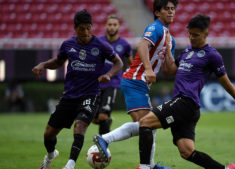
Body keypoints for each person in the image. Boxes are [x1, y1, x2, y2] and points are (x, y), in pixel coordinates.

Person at [137, 14, 235, 169]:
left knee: (145, 122)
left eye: (196, 35)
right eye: (190, 34)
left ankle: (145, 167)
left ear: (206, 33)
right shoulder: (187, 51)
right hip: (186, 107)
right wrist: (168, 51)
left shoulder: (212, 55)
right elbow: (171, 70)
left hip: (186, 102)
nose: (191, 38)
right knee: (186, 151)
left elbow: (225, 82)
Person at [32, 9, 123, 169]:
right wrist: (44, 65)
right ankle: (51, 154)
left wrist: (108, 74)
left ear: (92, 27)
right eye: (82, 29)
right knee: (48, 134)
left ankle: (70, 165)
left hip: (91, 94)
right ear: (76, 29)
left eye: (89, 28)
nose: (86, 32)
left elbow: (119, 63)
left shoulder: (101, 45)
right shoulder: (68, 45)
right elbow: (58, 62)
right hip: (69, 95)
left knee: (79, 126)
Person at [93, 0, 178, 169]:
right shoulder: (156, 28)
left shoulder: (170, 39)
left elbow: (169, 71)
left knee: (149, 126)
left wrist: (169, 55)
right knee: (147, 124)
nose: (170, 12)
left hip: (141, 83)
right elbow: (141, 45)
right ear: (157, 12)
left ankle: (149, 165)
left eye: (172, 9)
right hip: (135, 80)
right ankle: (105, 139)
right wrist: (148, 69)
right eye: (166, 9)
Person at [92, 14, 133, 135]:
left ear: (119, 26)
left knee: (103, 115)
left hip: (113, 83)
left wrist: (133, 79)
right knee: (94, 118)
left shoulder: (125, 44)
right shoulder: (98, 41)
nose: (112, 27)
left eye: (114, 25)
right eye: (109, 24)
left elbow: (131, 64)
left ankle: (102, 145)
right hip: (97, 83)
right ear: (106, 26)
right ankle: (107, 121)